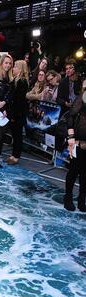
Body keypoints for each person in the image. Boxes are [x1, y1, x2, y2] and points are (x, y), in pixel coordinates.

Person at [64, 81, 86, 212]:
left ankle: (81, 198)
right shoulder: (82, 97)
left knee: (85, 173)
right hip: (78, 141)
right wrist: (71, 137)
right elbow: (70, 117)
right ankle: (68, 197)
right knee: (73, 170)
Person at [6, 60, 29, 165]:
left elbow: (19, 101)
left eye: (15, 66)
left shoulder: (22, 82)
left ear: (20, 69)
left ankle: (16, 156)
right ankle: (13, 154)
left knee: (18, 135)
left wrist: (14, 115)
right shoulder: (15, 80)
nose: (13, 68)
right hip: (15, 112)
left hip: (18, 114)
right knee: (15, 135)